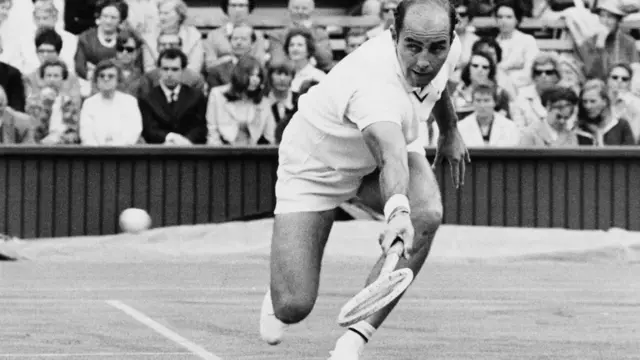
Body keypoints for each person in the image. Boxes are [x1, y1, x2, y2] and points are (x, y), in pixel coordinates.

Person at [258, 0, 470, 359]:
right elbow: (389, 157)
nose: (424, 60)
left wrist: (449, 129)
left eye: (437, 48)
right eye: (413, 46)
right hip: (316, 169)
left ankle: (354, 339)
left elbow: (438, 84)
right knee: (292, 306)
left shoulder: (443, 49)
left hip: (383, 153)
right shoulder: (373, 85)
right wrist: (398, 214)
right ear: (393, 36)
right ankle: (281, 285)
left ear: (450, 39)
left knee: (428, 213)